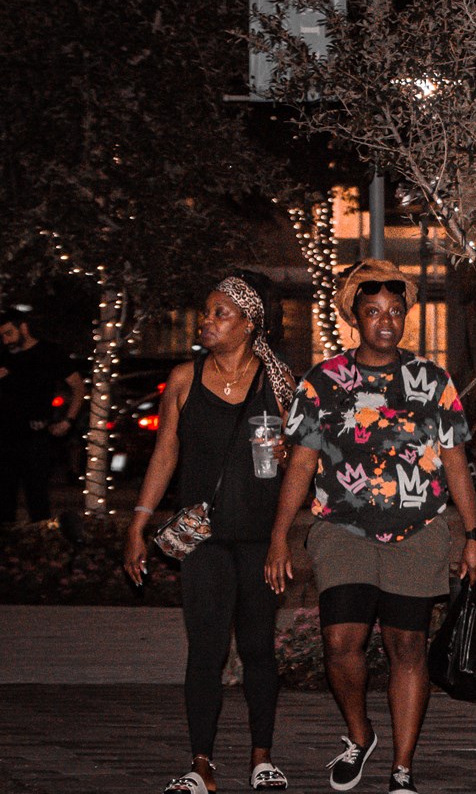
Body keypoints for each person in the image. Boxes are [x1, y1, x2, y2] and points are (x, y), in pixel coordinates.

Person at [266, 259, 476, 794]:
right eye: (373, 312)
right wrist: (280, 535)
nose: (385, 321)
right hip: (342, 528)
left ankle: (402, 767)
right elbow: (300, 461)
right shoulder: (324, 381)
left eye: (395, 311)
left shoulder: (431, 381)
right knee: (342, 641)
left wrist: (474, 536)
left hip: (419, 530)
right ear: (355, 319)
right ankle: (360, 734)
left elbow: (455, 459)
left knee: (407, 646)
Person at [122, 273, 298, 793]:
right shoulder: (183, 378)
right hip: (201, 539)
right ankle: (201, 766)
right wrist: (138, 523)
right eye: (207, 312)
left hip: (260, 537)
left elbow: (305, 462)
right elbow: (165, 453)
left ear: (248, 323)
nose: (208, 321)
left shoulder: (280, 380)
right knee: (205, 650)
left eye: (220, 313)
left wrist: (283, 533)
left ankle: (262, 759)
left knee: (260, 648)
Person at [0, 306, 87, 527]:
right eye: (2, 336)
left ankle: (40, 544)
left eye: (9, 333)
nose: (6, 340)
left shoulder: (49, 353)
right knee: (4, 500)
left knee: (37, 497)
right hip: (4, 436)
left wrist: (68, 420)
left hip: (35, 435)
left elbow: (77, 387)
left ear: (24, 328)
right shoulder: (3, 355)